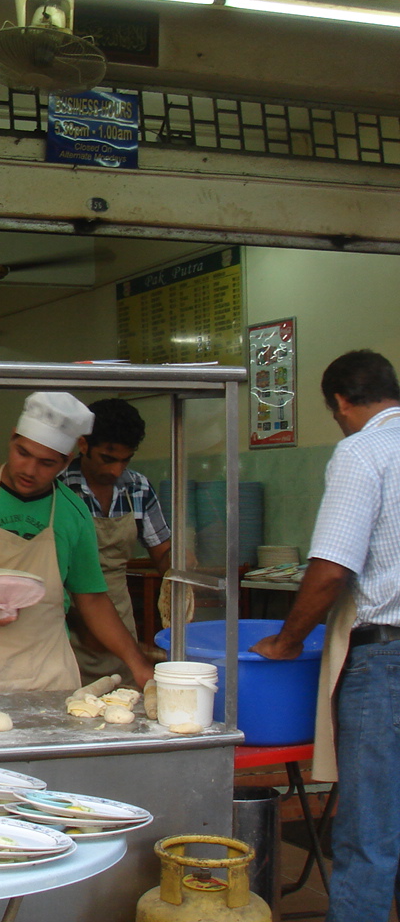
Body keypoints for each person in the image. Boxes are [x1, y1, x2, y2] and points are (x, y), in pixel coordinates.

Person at [251, 350, 400, 922]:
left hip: (387, 662)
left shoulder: (362, 451)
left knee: (369, 836)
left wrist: (286, 642)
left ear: (340, 402)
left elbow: (332, 569)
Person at [0, 391, 154, 696]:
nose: (29, 470)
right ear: (12, 438)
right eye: (22, 453)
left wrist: (137, 663)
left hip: (47, 674)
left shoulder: (73, 513)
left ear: (66, 461)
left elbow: (92, 599)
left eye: (46, 463)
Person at [61, 398, 174, 683]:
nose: (116, 470)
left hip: (120, 624)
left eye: (125, 460)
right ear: (83, 445)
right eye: (107, 459)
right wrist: (83, 626)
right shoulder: (58, 488)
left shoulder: (138, 488)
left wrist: (181, 564)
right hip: (68, 627)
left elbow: (163, 556)